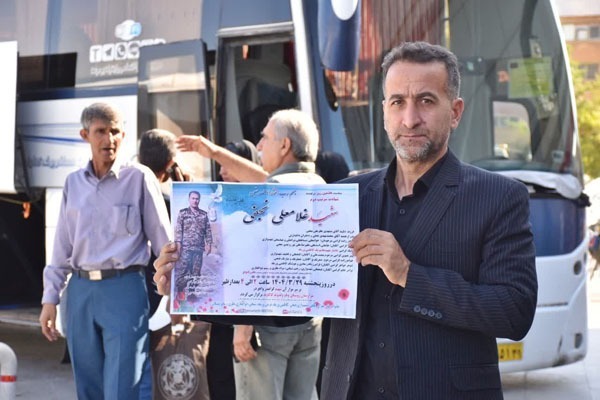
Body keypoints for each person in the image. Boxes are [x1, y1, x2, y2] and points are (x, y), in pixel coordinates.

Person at [154, 41, 539, 399]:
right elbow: (290, 298)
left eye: (426, 101)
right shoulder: (345, 198)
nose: (410, 118)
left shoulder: (497, 197)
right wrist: (192, 284)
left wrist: (409, 275)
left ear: (454, 112)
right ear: (384, 112)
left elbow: (514, 311)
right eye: (397, 102)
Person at [175, 109, 325, 400]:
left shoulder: (273, 192)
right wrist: (214, 152)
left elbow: (251, 263)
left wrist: (243, 327)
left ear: (285, 145)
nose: (259, 146)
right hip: (308, 322)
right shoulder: (318, 185)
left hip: (267, 329)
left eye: (265, 138)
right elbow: (266, 180)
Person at [39, 102, 171, 400]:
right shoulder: (73, 183)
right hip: (80, 293)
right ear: (85, 135)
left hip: (125, 290)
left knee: (123, 386)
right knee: (88, 387)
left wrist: (174, 294)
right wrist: (50, 299)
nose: (109, 139)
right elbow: (61, 247)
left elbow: (165, 243)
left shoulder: (139, 178)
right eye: (100, 131)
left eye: (115, 131)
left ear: (123, 135)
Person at [206, 139, 260, 400]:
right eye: (220, 164)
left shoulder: (259, 208)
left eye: (229, 163)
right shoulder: (216, 203)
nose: (223, 171)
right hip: (220, 312)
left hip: (248, 316)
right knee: (219, 378)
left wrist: (244, 322)